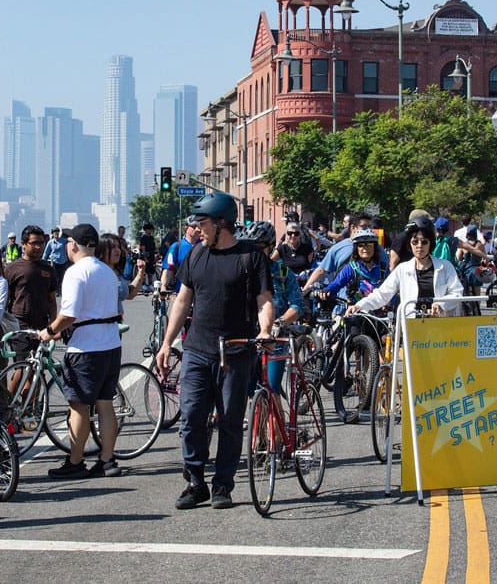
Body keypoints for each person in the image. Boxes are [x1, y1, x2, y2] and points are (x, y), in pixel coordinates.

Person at [154, 192, 273, 510]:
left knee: (231, 422)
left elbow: (264, 300)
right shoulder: (194, 255)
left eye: (202, 222)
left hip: (235, 351)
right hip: (197, 349)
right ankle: (195, 482)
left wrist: (264, 330)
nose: (197, 228)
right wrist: (167, 343)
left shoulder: (251, 257)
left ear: (222, 223)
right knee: (191, 417)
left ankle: (222, 485)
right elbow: (182, 300)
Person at [39, 224, 123, 479]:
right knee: (105, 403)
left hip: (86, 347)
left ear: (73, 245)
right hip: (111, 343)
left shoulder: (76, 272)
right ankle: (107, 459)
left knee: (79, 406)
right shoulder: (107, 272)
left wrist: (49, 330)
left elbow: (69, 314)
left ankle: (76, 461)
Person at [348, 216, 463, 316]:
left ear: (431, 244)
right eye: (415, 242)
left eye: (424, 242)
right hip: (411, 330)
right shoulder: (402, 269)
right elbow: (382, 294)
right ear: (409, 244)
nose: (419, 246)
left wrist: (440, 304)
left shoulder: (446, 267)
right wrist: (359, 306)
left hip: (441, 329)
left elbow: (457, 292)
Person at [239, 221, 303, 400]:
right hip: (247, 340)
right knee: (245, 390)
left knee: (271, 389)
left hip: (275, 341)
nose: (254, 252)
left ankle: (274, 425)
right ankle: (254, 424)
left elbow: (297, 305)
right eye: (249, 247)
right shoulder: (240, 271)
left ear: (271, 246)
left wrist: (279, 322)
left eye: (259, 247)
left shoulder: (283, 272)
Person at [3, 225, 58, 361]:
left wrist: (53, 324)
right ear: (23, 244)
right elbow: (5, 299)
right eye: (34, 243)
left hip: (41, 323)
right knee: (23, 365)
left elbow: (52, 299)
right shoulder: (12, 269)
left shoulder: (48, 269)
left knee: (38, 366)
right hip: (19, 323)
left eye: (41, 243)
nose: (38, 247)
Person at [303, 212, 388, 288]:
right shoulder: (337, 248)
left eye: (370, 227)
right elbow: (321, 270)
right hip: (344, 301)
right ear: (353, 227)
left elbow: (386, 272)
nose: (368, 230)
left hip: (371, 300)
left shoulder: (377, 248)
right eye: (364, 227)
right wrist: (305, 290)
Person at [318, 228, 388, 304]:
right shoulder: (352, 268)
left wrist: (390, 303)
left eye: (369, 245)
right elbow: (337, 283)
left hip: (380, 312)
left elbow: (392, 288)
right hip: (356, 311)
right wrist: (327, 290)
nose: (365, 248)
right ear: (356, 249)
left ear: (375, 248)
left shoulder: (383, 268)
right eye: (361, 245)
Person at [98, 232, 146, 312]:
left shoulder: (117, 271)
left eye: (118, 247)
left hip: (115, 323)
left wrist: (140, 274)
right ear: (102, 251)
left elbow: (129, 294)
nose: (117, 250)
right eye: (113, 247)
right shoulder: (97, 273)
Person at [160, 216, 200, 292]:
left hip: (202, 294)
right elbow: (168, 269)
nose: (198, 229)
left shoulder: (206, 246)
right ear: (186, 228)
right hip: (183, 293)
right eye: (194, 226)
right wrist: (163, 287)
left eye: (199, 226)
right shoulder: (175, 247)